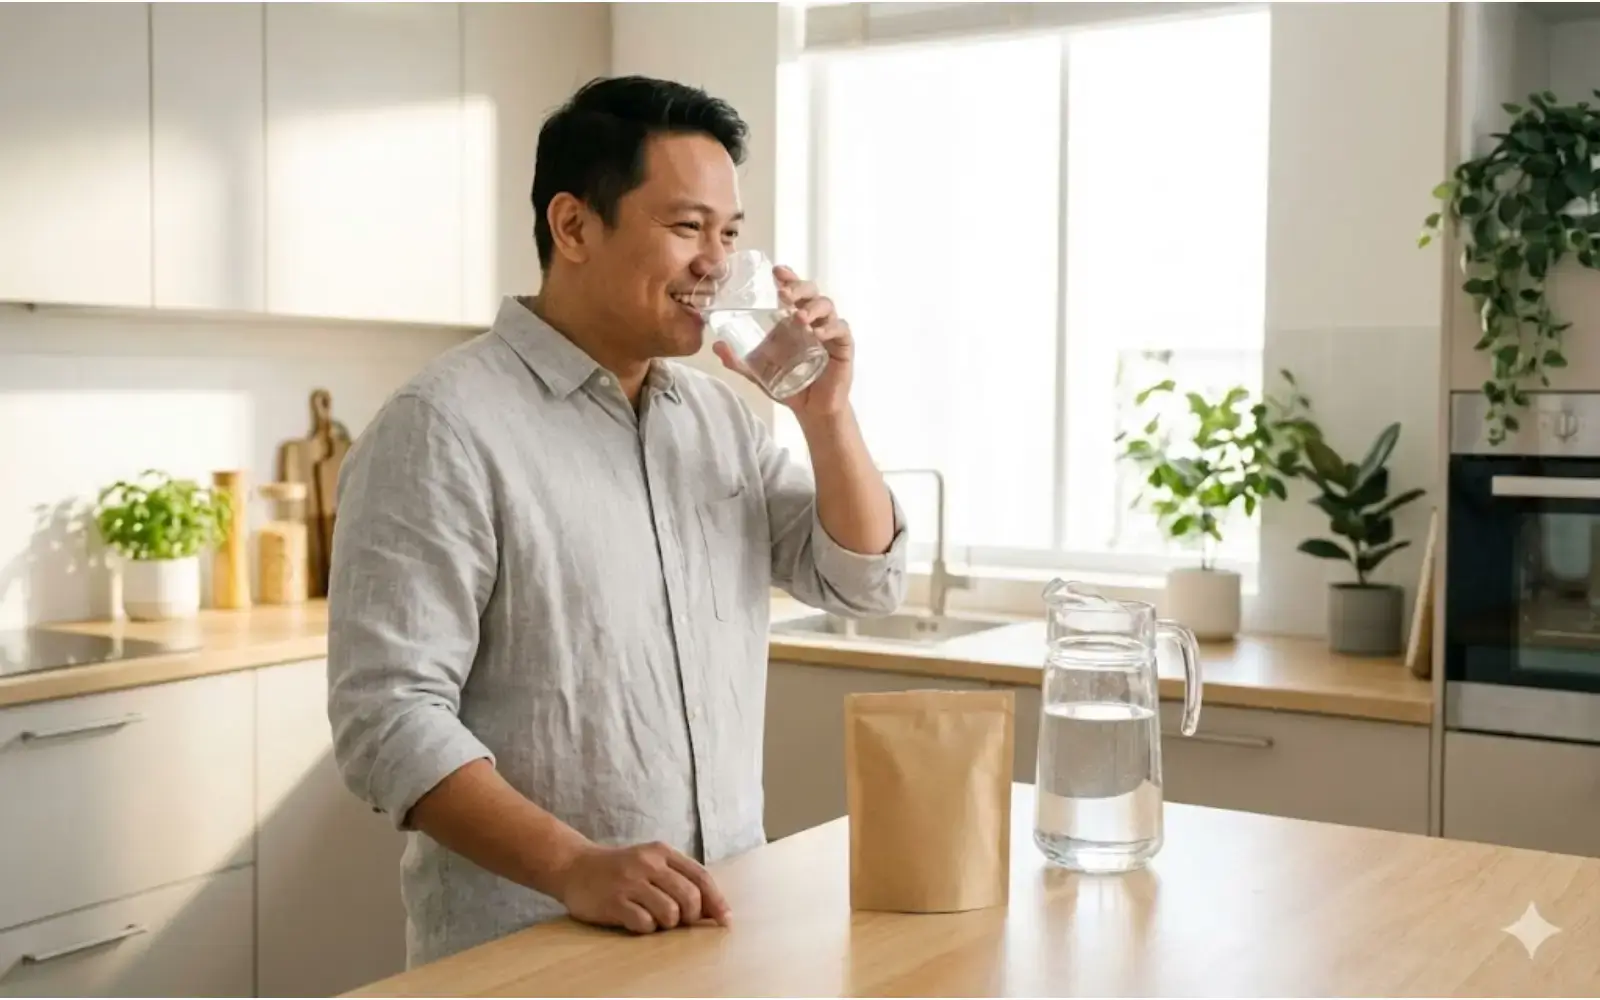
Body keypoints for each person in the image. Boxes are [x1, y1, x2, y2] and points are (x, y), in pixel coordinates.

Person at [324, 74, 909, 968]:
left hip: (715, 925)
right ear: (573, 227)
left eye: (730, 233)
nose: (715, 261)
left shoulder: (721, 420)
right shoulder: (442, 424)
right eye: (685, 228)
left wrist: (826, 412)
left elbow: (863, 580)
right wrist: (576, 866)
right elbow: (388, 716)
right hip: (525, 946)